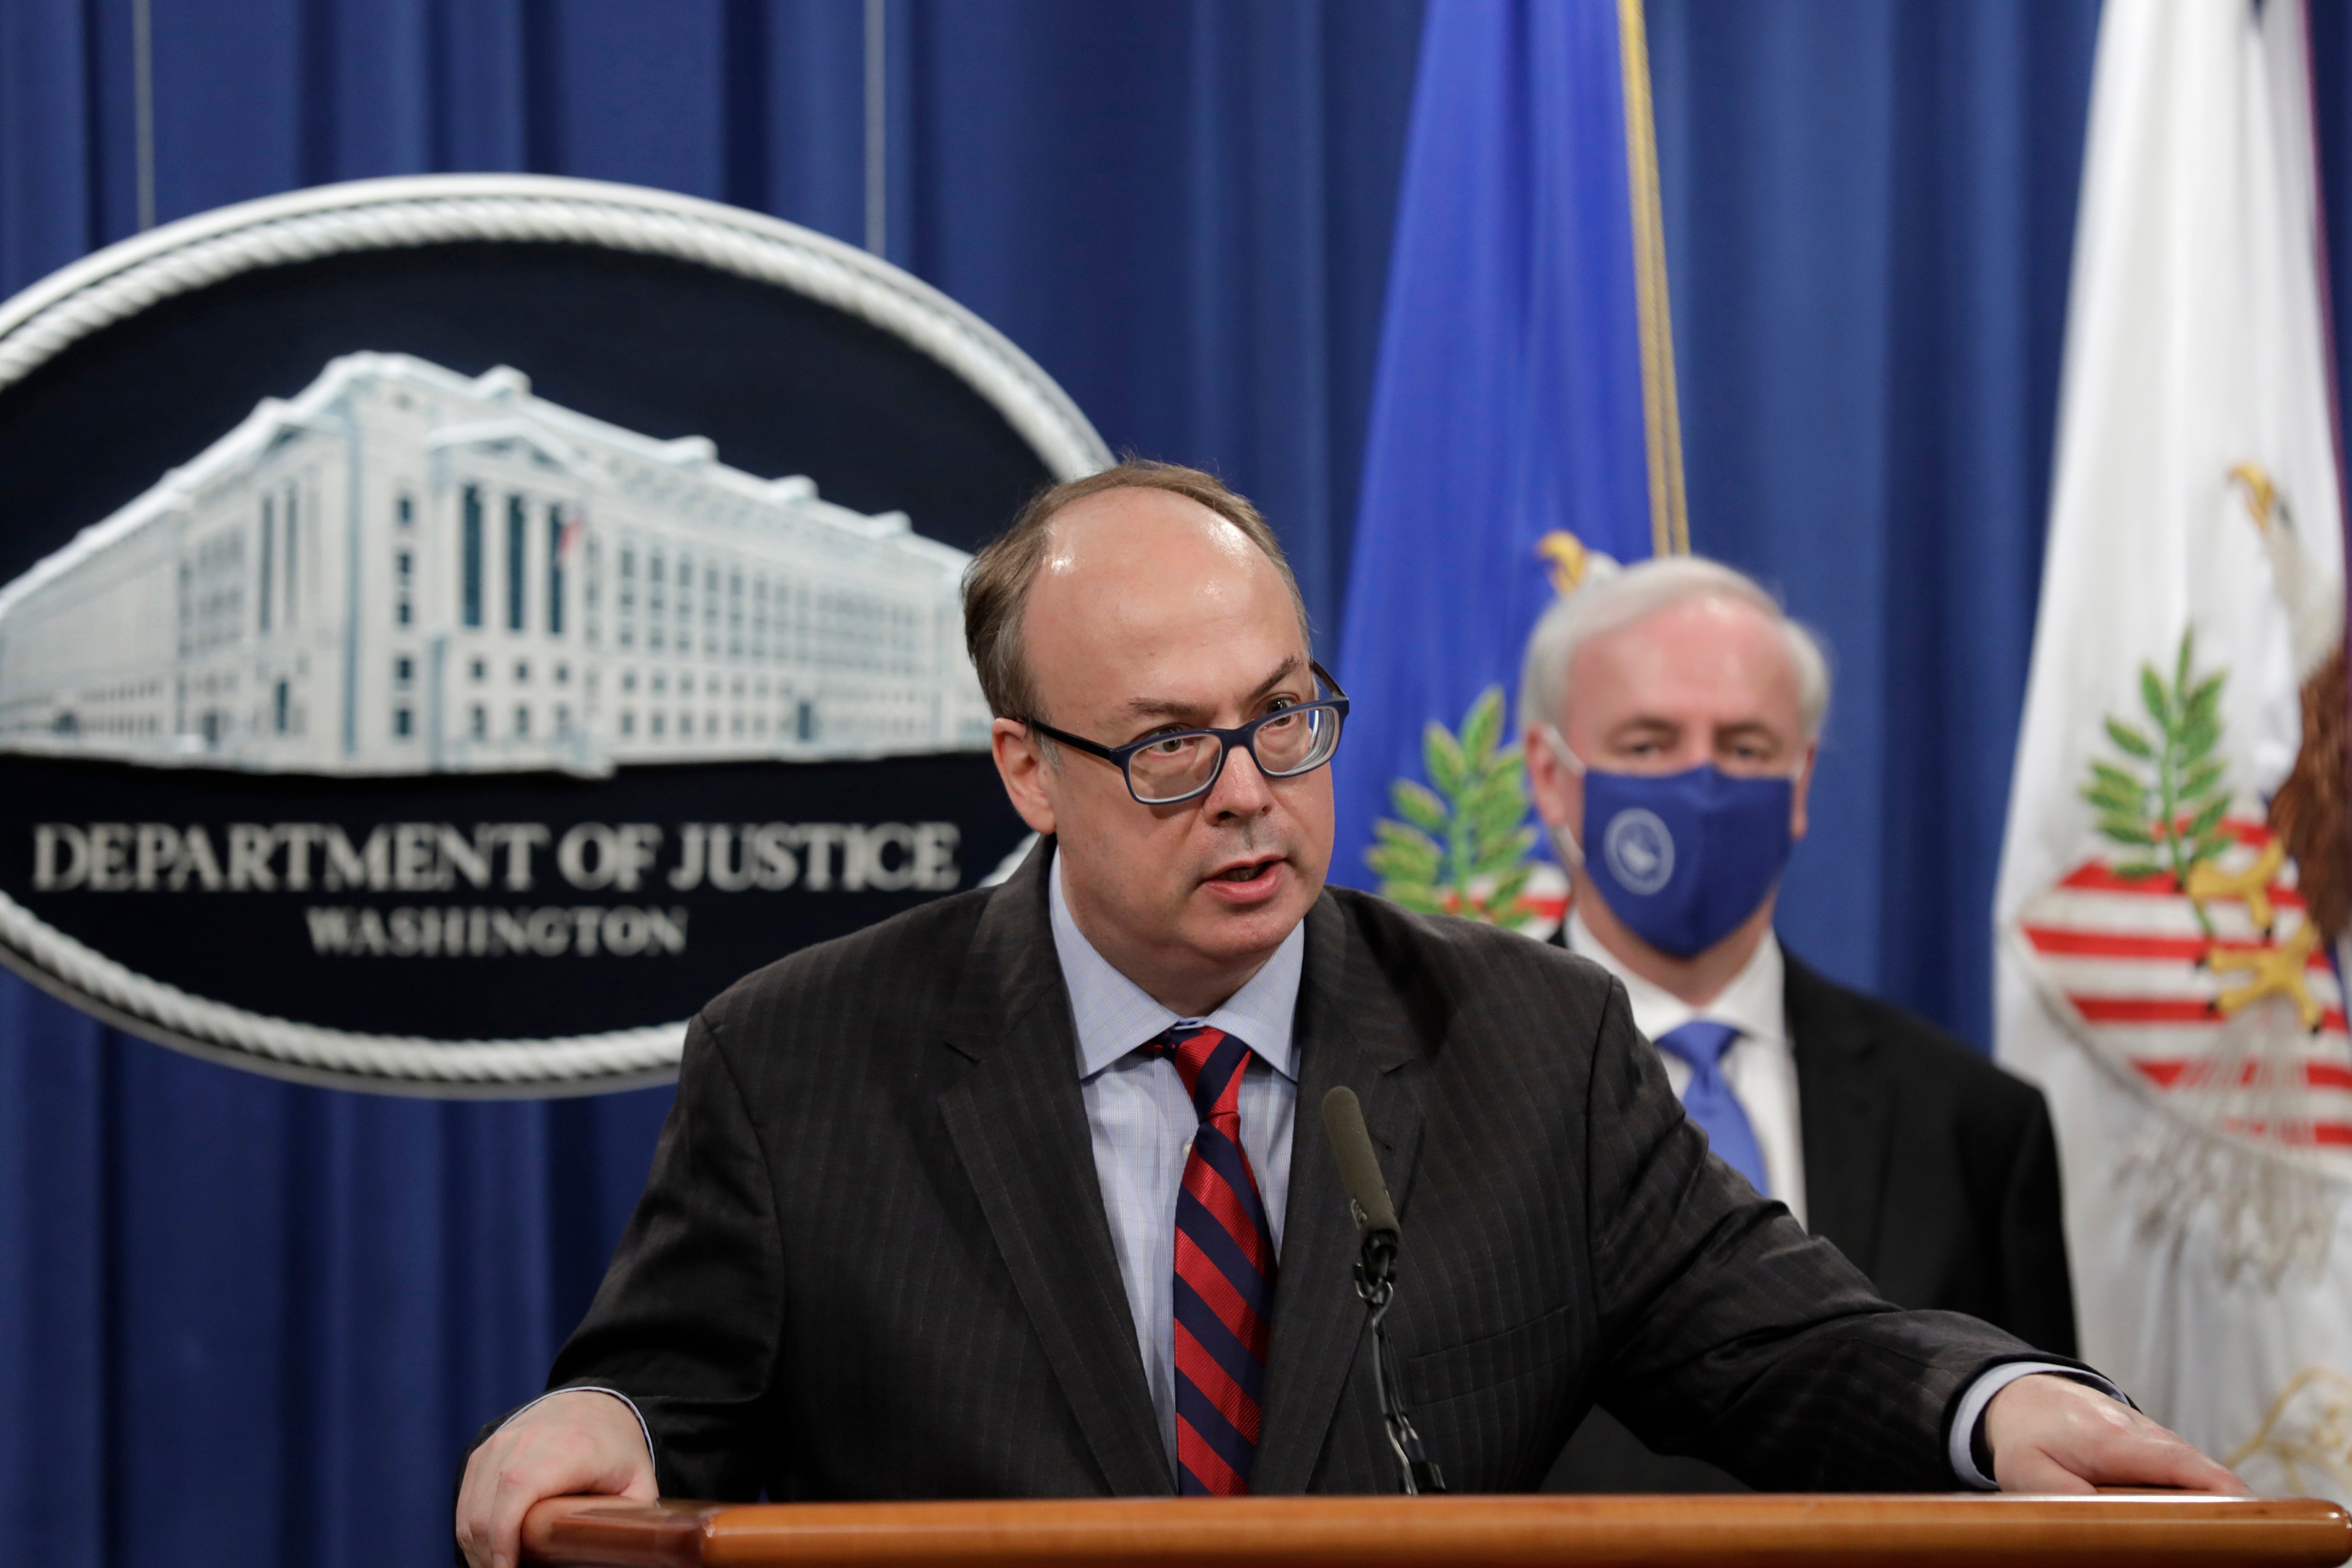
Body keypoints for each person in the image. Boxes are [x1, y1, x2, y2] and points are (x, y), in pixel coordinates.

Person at [455, 461, 2239, 1568]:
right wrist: (602, 1415)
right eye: (1170, 745)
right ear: (1028, 768)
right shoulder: (807, 1056)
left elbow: (1779, 1337)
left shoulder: (1528, 1043)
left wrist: (1992, 1405)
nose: (1251, 794)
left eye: (1287, 717)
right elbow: (678, 1383)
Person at [1519, 556, 2078, 1494]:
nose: (1700, 785)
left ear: (1802, 777)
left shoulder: (1973, 1123)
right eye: (1649, 744)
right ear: (1551, 775)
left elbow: (2036, 1487)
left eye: (1742, 747)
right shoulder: (1435, 1089)